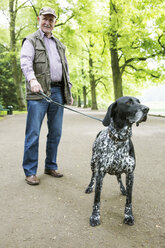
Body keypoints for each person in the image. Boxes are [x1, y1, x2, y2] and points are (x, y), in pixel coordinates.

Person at [21, 7, 73, 185]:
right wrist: (32, 80)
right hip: (38, 93)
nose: (48, 22)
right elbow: (26, 63)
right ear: (39, 19)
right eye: (45, 19)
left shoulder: (59, 44)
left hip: (57, 92)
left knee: (56, 132)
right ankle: (30, 171)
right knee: (33, 133)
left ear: (54, 22)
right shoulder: (31, 40)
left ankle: (50, 165)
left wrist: (69, 91)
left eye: (51, 20)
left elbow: (65, 70)